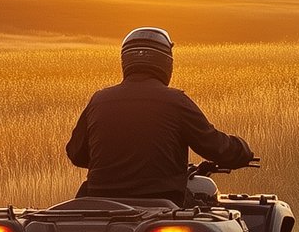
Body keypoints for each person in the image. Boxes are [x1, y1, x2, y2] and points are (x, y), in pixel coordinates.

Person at [65, 27, 254, 203]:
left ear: (125, 61)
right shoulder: (175, 101)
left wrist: (114, 164)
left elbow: (76, 153)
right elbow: (215, 146)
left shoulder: (99, 100)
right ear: (166, 62)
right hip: (163, 203)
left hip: (101, 202)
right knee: (210, 205)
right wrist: (241, 151)